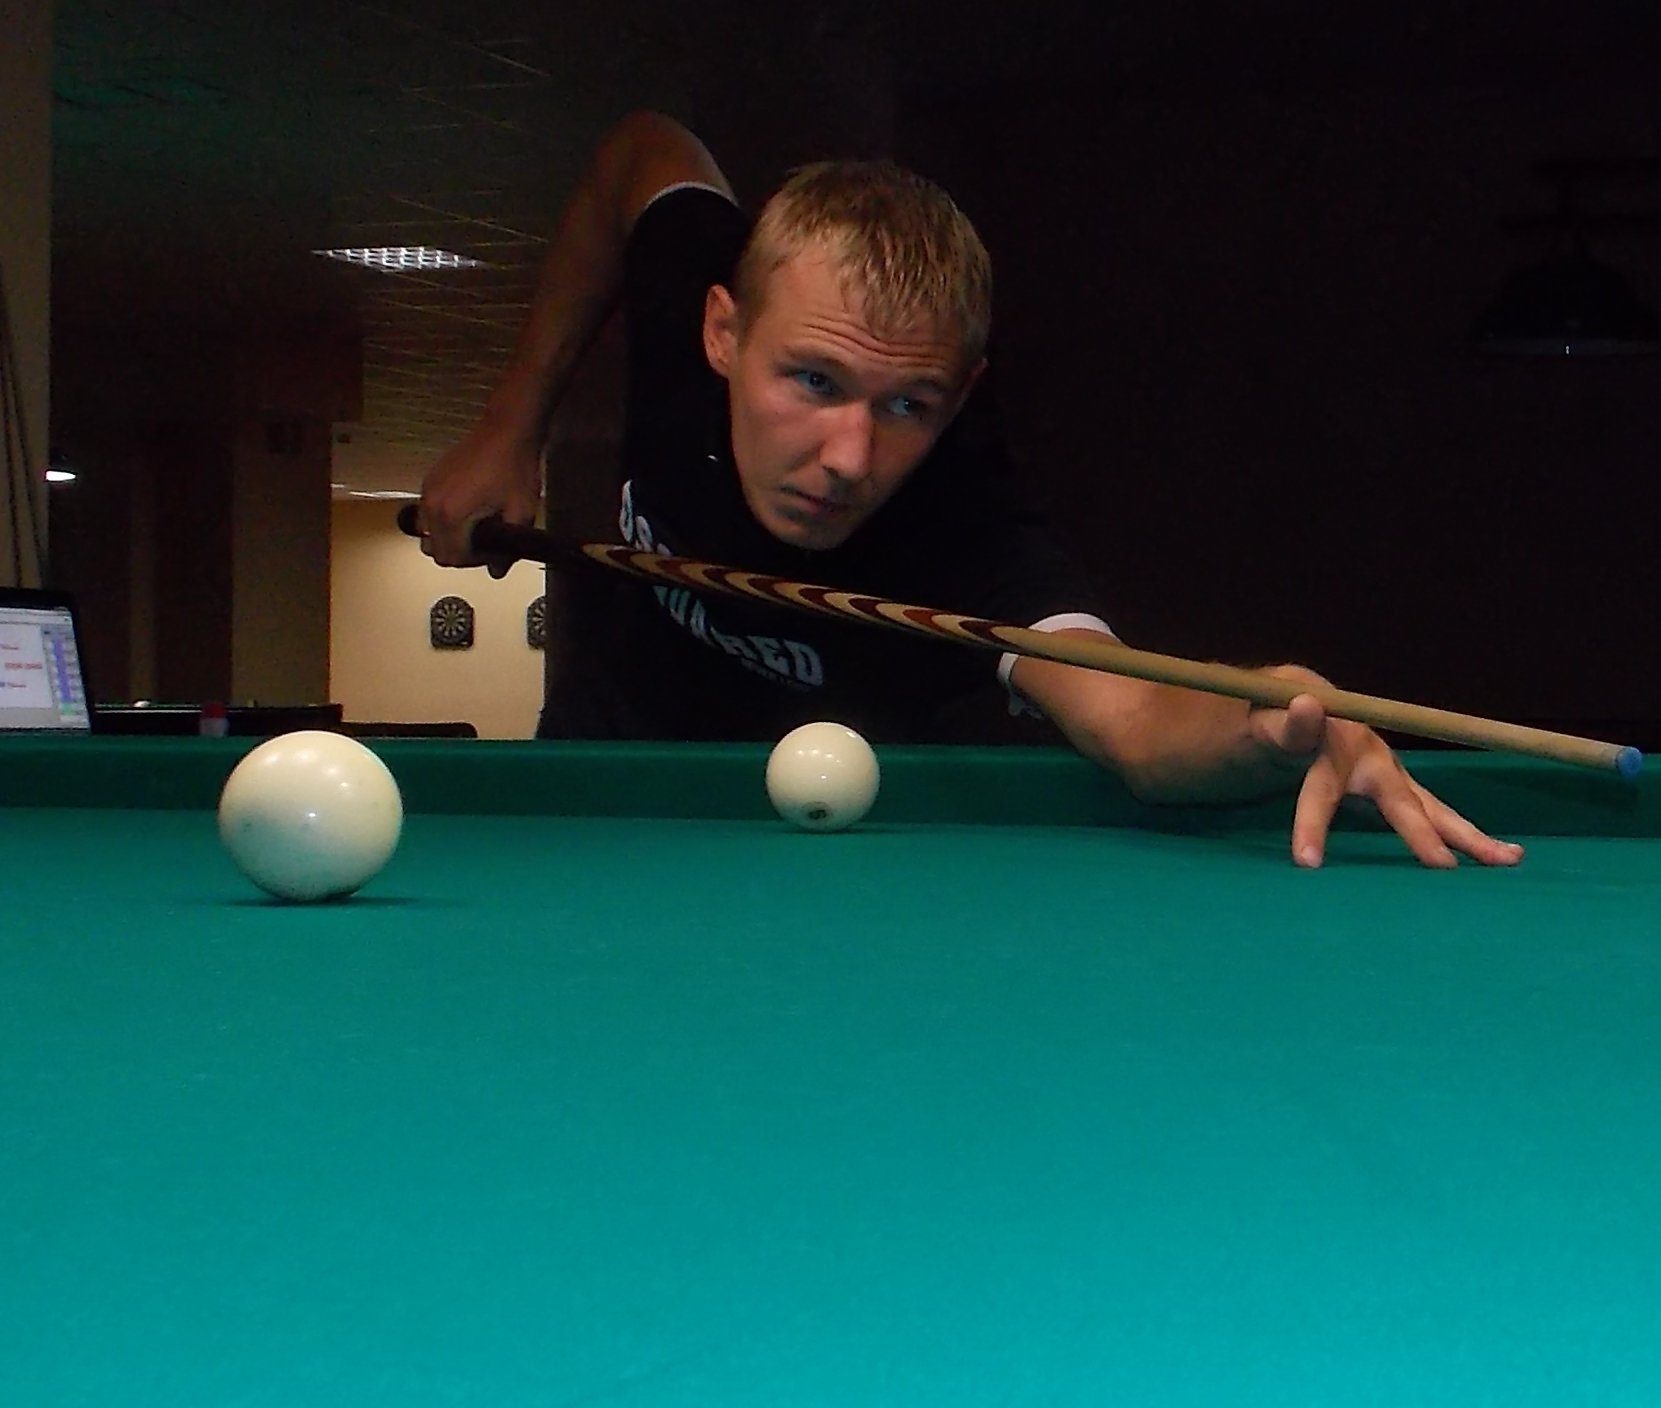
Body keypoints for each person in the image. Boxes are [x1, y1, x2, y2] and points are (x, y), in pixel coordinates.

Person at [417, 114, 1517, 869]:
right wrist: (510, 428)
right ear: (723, 331)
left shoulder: (968, 522)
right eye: (813, 382)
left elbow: (1133, 718)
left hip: (860, 860)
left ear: (963, 395)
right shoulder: (700, 287)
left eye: (909, 404)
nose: (850, 457)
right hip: (606, 796)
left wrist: (1269, 711)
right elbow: (640, 152)